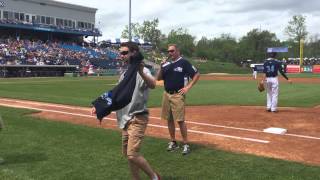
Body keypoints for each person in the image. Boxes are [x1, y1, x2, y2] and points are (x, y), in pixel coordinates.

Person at [92, 42, 160, 180]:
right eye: (120, 53)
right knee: (129, 156)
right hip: (125, 119)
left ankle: (155, 177)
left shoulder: (142, 70)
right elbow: (116, 95)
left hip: (137, 118)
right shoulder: (125, 75)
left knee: (132, 154)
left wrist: (141, 71)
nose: (121, 55)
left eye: (124, 53)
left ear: (133, 53)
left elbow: (153, 84)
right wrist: (99, 106)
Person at [156, 44, 200, 155]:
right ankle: (173, 141)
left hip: (177, 95)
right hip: (166, 94)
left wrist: (188, 87)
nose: (170, 53)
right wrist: (161, 67)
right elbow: (158, 78)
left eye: (172, 51)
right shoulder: (166, 64)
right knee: (169, 119)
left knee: (180, 120)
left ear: (178, 51)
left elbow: (196, 74)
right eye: (169, 51)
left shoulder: (184, 62)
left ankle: (186, 144)